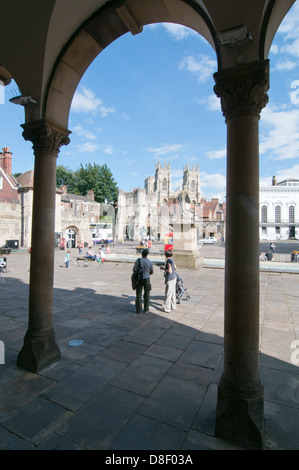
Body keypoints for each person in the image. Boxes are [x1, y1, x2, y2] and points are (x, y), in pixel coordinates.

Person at [133, 248, 153, 314]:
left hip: (139, 279)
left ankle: (138, 309)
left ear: (142, 254)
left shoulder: (138, 260)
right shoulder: (149, 262)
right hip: (147, 279)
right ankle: (146, 309)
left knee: (138, 294)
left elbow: (134, 270)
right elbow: (152, 271)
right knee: (147, 294)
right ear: (147, 254)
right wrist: (147, 273)